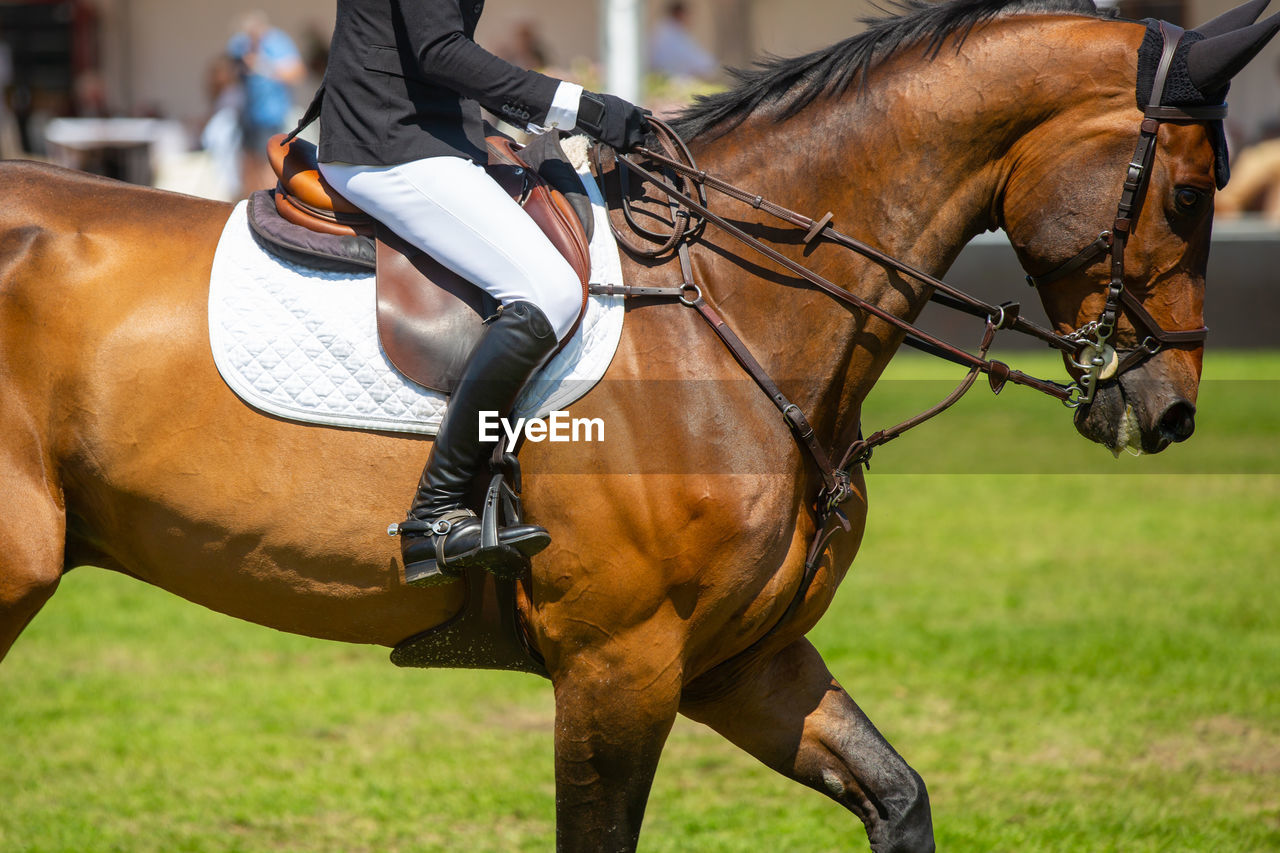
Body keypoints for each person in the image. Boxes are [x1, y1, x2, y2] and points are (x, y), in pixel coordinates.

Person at [308, 0, 650, 584]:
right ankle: (434, 516)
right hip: (389, 140)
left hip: (435, 129)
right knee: (549, 291)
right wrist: (577, 105)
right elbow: (439, 50)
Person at [228, 11, 305, 192]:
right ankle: (250, 202)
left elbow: (297, 74)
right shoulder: (239, 44)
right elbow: (228, 73)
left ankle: (269, 203)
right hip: (247, 114)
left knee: (269, 164)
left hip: (271, 115)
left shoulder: (278, 42)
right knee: (248, 163)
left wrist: (263, 65)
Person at [649, 1, 717, 80]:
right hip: (672, 81)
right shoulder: (671, 33)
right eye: (687, 15)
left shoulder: (666, 30)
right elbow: (692, 58)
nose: (690, 19)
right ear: (680, 14)